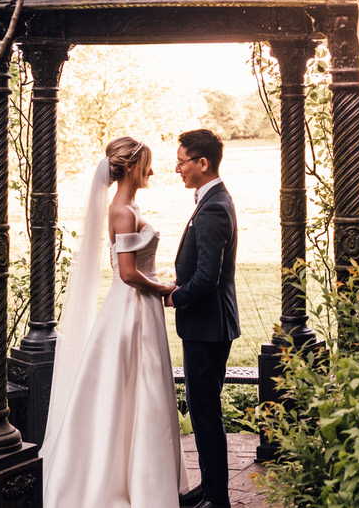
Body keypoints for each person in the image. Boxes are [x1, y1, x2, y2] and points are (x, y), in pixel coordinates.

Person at [41, 137, 193, 508]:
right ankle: (129, 483)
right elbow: (126, 273)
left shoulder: (130, 206)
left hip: (139, 307)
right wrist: (162, 287)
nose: (154, 171)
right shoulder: (123, 211)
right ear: (131, 167)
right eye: (148, 165)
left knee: (138, 388)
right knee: (135, 388)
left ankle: (139, 474)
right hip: (133, 309)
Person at [167, 128, 239, 508]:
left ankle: (217, 498)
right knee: (203, 408)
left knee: (206, 411)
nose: (177, 168)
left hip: (208, 327)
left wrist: (176, 295)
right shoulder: (211, 201)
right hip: (208, 326)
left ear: (202, 163)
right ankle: (211, 488)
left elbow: (208, 277)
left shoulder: (213, 207)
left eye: (181, 161)